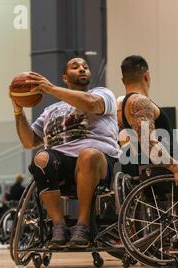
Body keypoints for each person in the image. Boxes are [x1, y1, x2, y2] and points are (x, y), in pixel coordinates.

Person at [9, 57, 120, 249]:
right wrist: (18, 110)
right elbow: (29, 142)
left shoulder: (102, 93)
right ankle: (58, 226)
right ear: (64, 77)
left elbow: (93, 104)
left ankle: (83, 226)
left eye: (85, 67)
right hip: (61, 165)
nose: (82, 69)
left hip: (98, 162)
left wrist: (50, 89)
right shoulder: (50, 110)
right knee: (41, 158)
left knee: (88, 155)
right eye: (75, 67)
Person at [116, 55, 178, 188]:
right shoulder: (139, 102)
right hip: (164, 174)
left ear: (123, 80)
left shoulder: (124, 106)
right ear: (147, 76)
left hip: (159, 171)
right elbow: (148, 144)